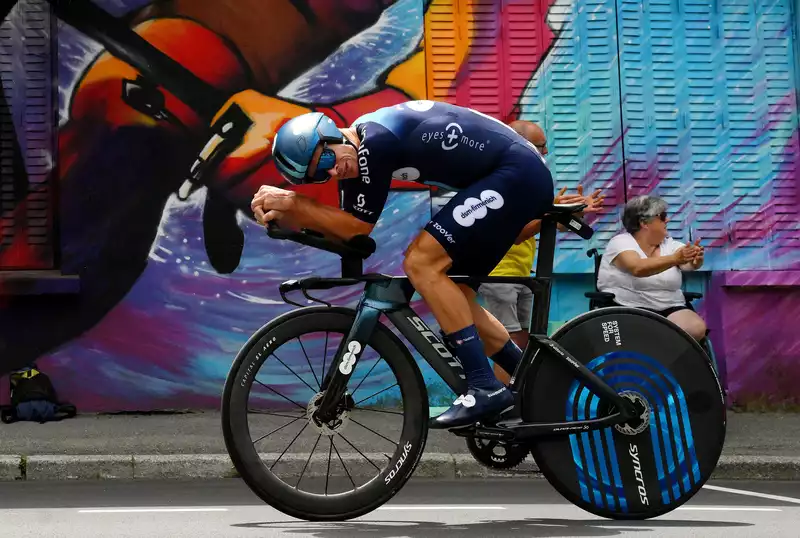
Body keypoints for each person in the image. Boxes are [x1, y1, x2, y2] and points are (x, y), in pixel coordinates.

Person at [250, 100, 596, 429]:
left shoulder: (374, 142)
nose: (333, 169)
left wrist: (294, 203)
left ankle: (484, 386)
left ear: (331, 133)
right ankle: (532, 385)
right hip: (508, 177)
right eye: (321, 173)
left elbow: (356, 228)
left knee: (421, 262)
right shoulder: (358, 158)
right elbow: (352, 237)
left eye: (325, 158)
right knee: (455, 296)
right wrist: (290, 223)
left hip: (516, 172)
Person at [477, 121, 602, 384]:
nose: (545, 154)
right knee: (507, 344)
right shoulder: (501, 180)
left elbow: (536, 225)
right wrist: (551, 211)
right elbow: (514, 231)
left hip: (520, 274)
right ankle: (500, 406)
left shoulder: (523, 180)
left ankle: (514, 398)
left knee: (521, 341)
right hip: (499, 274)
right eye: (541, 147)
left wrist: (568, 213)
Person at [597, 195, 707, 340]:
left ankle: (664, 356)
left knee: (696, 328)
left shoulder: (670, 245)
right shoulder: (621, 242)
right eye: (662, 216)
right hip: (628, 307)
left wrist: (695, 259)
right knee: (648, 334)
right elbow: (637, 268)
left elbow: (687, 264)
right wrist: (675, 259)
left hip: (671, 306)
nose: (667, 220)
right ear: (644, 223)